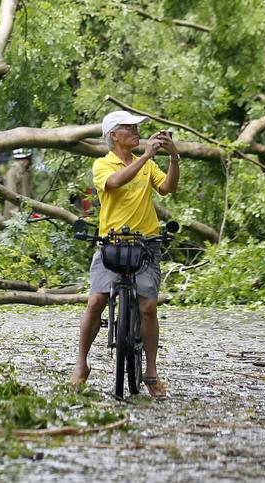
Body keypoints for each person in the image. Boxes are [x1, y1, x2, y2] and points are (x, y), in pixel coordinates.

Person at [71, 110, 180, 398]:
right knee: (95, 301)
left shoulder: (148, 166)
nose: (135, 131)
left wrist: (173, 157)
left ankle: (151, 372)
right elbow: (116, 182)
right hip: (112, 242)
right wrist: (145, 157)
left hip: (146, 243)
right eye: (128, 127)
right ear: (113, 136)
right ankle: (81, 364)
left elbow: (167, 188)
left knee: (148, 307)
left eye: (136, 127)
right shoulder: (102, 164)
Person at [3, 148, 34, 216]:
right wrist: (16, 216)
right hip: (16, 218)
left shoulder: (24, 173)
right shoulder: (12, 173)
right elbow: (11, 195)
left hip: (24, 214)